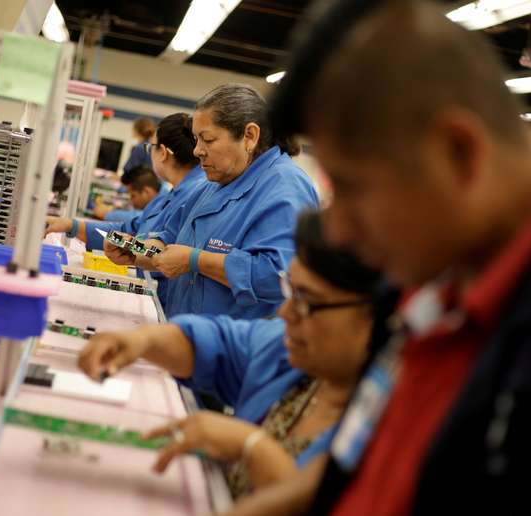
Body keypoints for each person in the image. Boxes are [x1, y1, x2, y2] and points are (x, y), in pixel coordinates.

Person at [233, 1, 531, 515]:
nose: (338, 230)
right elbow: (366, 452)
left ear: (460, 153)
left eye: (353, 188)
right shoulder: (428, 269)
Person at [78, 211, 383, 499]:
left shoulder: (384, 433)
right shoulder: (294, 356)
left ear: (377, 315)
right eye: (291, 291)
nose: (285, 312)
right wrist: (143, 340)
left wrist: (252, 447)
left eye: (307, 300)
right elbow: (219, 343)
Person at [105, 84, 319, 319]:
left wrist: (196, 260)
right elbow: (168, 241)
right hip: (182, 330)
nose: (197, 150)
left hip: (234, 341)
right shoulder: (212, 184)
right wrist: (135, 250)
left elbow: (279, 276)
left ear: (249, 136)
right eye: (196, 139)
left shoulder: (285, 189)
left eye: (207, 139)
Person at [45, 113, 209, 305]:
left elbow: (161, 251)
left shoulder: (194, 197)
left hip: (162, 303)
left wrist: (130, 248)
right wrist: (70, 225)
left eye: (151, 147)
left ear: (163, 152)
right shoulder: (171, 195)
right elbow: (129, 230)